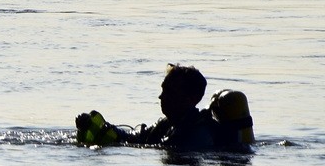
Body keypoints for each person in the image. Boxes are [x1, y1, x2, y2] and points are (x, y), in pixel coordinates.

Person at [75, 64, 236, 151]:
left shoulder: (199, 134)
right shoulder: (166, 124)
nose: (161, 97)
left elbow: (173, 148)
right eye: (162, 90)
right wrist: (102, 127)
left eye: (169, 92)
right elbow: (135, 137)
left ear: (191, 98)